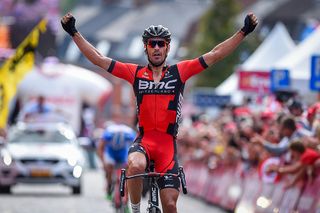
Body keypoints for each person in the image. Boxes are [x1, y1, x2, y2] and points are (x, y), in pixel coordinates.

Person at [61, 12, 258, 213]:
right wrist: (74, 32)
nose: (156, 48)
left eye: (161, 44)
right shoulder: (135, 73)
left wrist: (243, 32)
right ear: (145, 48)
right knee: (135, 166)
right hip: (144, 142)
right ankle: (135, 209)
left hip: (167, 147)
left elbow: (215, 54)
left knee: (170, 206)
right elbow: (99, 59)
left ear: (167, 48)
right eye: (152, 43)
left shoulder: (179, 72)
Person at [96, 122, 136, 201]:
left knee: (127, 171)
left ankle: (125, 196)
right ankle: (109, 185)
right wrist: (104, 163)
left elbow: (100, 148)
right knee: (109, 167)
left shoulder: (128, 133)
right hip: (111, 153)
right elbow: (100, 148)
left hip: (122, 153)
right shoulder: (109, 133)